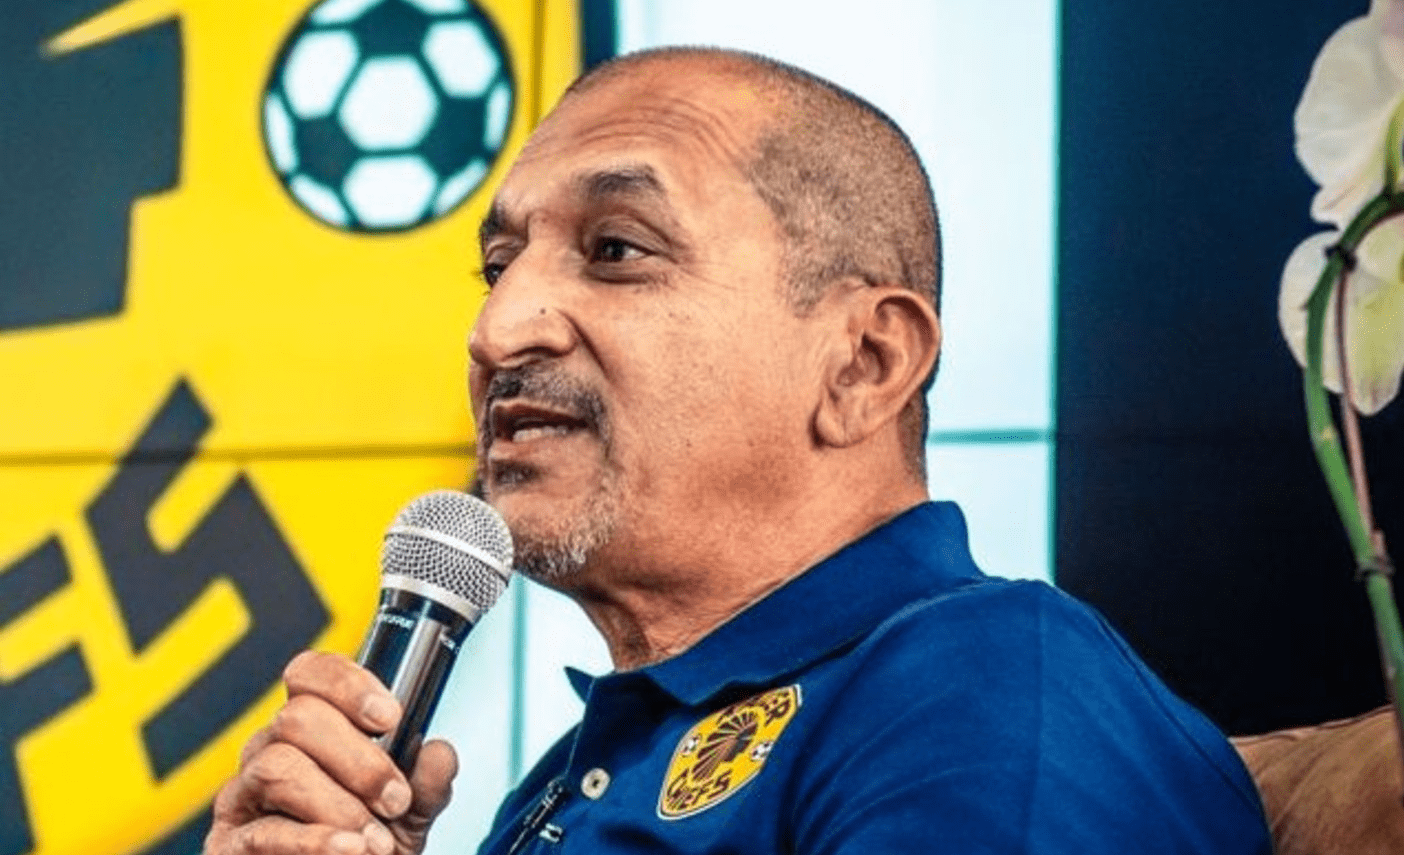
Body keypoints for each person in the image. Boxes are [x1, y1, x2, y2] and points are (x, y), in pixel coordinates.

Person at [204, 47, 1271, 854]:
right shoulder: (558, 781)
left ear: (864, 363)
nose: (498, 329)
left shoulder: (986, 686)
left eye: (616, 250)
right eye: (497, 268)